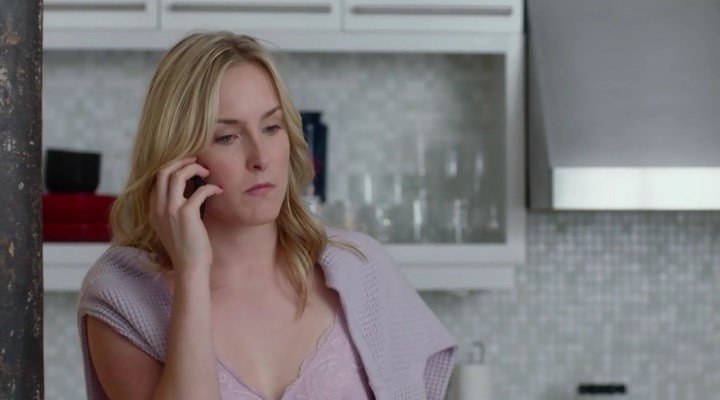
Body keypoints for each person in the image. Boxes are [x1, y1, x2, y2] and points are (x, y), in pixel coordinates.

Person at [77, 30, 456, 400]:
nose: (260, 158)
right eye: (227, 137)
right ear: (177, 158)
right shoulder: (122, 296)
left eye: (272, 127)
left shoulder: (361, 269)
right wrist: (192, 272)